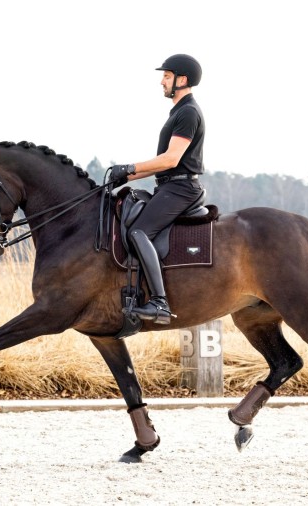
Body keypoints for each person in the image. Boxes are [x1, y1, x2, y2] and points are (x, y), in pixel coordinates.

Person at [108, 54, 206, 326]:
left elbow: (171, 160)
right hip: (171, 184)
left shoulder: (187, 112)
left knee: (139, 231)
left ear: (181, 80)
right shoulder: (178, 111)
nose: (161, 81)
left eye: (166, 76)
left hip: (181, 188)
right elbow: (161, 165)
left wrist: (129, 167)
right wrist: (127, 175)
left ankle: (159, 303)